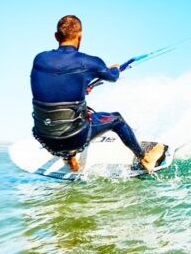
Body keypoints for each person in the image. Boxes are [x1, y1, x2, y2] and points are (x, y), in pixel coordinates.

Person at [30, 15, 164, 173]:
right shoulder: (90, 62)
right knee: (117, 119)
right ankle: (145, 159)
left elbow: (57, 85)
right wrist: (114, 68)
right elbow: (113, 76)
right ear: (80, 36)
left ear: (56, 36)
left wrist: (83, 85)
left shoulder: (39, 59)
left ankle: (70, 160)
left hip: (44, 136)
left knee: (67, 119)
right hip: (75, 138)